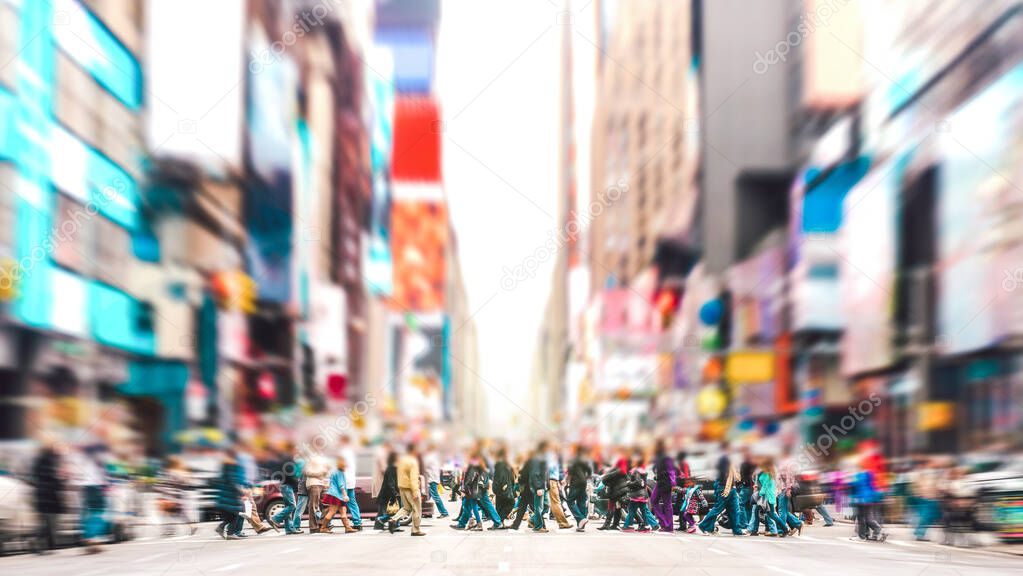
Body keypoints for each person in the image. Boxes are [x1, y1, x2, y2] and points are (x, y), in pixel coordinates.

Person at [697, 449, 745, 536]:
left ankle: (737, 530)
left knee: (735, 510)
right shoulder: (725, 459)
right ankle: (703, 526)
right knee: (718, 509)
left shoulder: (729, 460)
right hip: (725, 487)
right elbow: (725, 474)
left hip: (731, 488)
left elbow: (734, 475)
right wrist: (727, 488)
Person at [31, 443, 65, 553]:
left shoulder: (37, 461)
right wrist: (62, 481)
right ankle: (40, 542)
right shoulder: (51, 462)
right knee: (50, 522)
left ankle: (43, 545)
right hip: (50, 495)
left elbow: (36, 477)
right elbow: (53, 479)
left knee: (44, 521)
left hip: (40, 494)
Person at [389, 443, 425, 536]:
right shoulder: (412, 461)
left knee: (406, 508)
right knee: (417, 509)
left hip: (402, 487)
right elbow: (413, 478)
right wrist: (415, 491)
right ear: (413, 450)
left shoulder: (402, 460)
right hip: (410, 488)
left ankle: (393, 519)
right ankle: (415, 530)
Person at [156, 456, 197, 536]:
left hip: (169, 498)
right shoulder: (178, 473)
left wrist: (160, 491)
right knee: (180, 514)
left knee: (165, 514)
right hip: (178, 498)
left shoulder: (166, 473)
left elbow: (160, 486)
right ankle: (192, 526)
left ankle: (169, 530)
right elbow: (184, 483)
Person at [268, 443, 304, 534]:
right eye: (295, 449)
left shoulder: (285, 458)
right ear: (291, 449)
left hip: (285, 484)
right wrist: (296, 484)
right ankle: (275, 519)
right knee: (292, 506)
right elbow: (289, 474)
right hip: (287, 485)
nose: (297, 451)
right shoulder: (288, 459)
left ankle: (289, 528)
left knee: (288, 505)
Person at [749, 459, 786, 537]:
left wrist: (759, 494)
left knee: (772, 515)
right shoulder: (766, 472)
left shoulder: (767, 474)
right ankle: (754, 530)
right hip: (766, 496)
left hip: (767, 497)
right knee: (757, 511)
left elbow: (765, 486)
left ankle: (785, 529)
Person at [214, 449, 246, 539]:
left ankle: (221, 527)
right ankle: (230, 533)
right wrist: (241, 492)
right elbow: (233, 482)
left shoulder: (225, 465)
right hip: (230, 496)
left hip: (226, 495)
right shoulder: (231, 466)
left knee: (231, 515)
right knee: (235, 514)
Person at [321, 455, 357, 534]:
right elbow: (341, 485)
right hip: (337, 495)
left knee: (343, 511)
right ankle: (323, 528)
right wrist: (345, 495)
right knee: (332, 512)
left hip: (335, 494)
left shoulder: (334, 471)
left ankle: (348, 527)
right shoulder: (339, 472)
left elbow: (331, 482)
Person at [542, 441, 572, 529]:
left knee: (546, 502)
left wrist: (558, 479)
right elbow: (551, 468)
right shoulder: (551, 455)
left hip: (552, 480)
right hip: (551, 480)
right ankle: (563, 523)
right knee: (556, 502)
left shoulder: (551, 455)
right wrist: (559, 478)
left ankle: (533, 520)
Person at [453, 453, 487, 531]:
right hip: (473, 490)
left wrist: (464, 490)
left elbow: (469, 480)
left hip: (471, 491)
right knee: (467, 505)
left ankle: (478, 524)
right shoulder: (477, 466)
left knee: (473, 506)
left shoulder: (472, 466)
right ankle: (468, 522)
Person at [621, 464, 658, 532]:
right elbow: (643, 484)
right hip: (642, 495)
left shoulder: (635, 471)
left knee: (632, 510)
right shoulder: (643, 472)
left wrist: (629, 483)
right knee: (644, 511)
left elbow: (638, 482)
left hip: (636, 495)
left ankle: (628, 526)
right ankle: (650, 525)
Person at [651, 439, 677, 532]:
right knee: (654, 500)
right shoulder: (658, 457)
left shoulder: (666, 457)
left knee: (667, 505)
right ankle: (665, 524)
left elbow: (671, 470)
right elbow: (655, 468)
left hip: (666, 482)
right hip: (660, 482)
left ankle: (668, 526)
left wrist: (673, 483)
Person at [337, 435, 362, 529]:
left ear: (343, 441)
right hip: (350, 480)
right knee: (352, 502)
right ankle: (357, 522)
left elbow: (340, 467)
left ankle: (326, 523)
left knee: (334, 502)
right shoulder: (351, 452)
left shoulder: (343, 452)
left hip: (344, 481)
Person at [566, 444, 592, 531]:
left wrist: (567, 482)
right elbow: (589, 471)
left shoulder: (573, 459)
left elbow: (570, 472)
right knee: (581, 501)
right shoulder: (584, 460)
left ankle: (580, 519)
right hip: (583, 482)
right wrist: (585, 479)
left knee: (570, 500)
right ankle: (581, 526)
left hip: (575, 482)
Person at [776, 457, 803, 536]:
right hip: (780, 489)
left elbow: (789, 477)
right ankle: (797, 523)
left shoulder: (787, 462)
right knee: (783, 510)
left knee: (781, 510)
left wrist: (788, 489)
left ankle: (782, 530)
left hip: (784, 489)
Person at [304, 453, 330, 533]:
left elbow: (327, 472)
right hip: (314, 484)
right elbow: (306, 472)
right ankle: (313, 527)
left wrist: (326, 480)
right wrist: (319, 473)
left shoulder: (324, 458)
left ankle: (322, 524)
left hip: (323, 484)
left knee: (327, 505)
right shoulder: (311, 458)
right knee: (313, 506)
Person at [509, 449, 535, 530]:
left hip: (527, 489)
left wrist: (519, 478)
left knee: (533, 507)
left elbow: (524, 476)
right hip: (527, 489)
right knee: (523, 507)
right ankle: (515, 525)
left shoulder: (529, 464)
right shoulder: (531, 463)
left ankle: (541, 524)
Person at [374, 451, 400, 530]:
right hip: (387, 495)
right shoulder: (391, 468)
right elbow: (390, 483)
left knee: (392, 511)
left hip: (389, 494)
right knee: (387, 512)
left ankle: (394, 526)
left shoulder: (393, 467)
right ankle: (380, 523)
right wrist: (395, 493)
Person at [423, 443, 449, 518]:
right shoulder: (435, 457)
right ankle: (426, 512)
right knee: (426, 497)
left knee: (435, 497)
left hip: (431, 480)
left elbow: (423, 465)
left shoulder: (429, 457)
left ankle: (444, 512)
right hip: (433, 479)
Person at [527, 444, 549, 532]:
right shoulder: (537, 459)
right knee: (538, 507)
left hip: (544, 486)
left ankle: (532, 519)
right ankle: (538, 526)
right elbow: (534, 474)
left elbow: (545, 473)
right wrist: (538, 488)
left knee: (546, 506)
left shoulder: (542, 458)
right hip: (539, 487)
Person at [493, 447, 517, 521]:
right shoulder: (501, 463)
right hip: (503, 486)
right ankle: (499, 521)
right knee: (510, 502)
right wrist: (504, 485)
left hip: (503, 486)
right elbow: (501, 475)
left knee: (501, 504)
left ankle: (500, 521)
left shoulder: (504, 462)